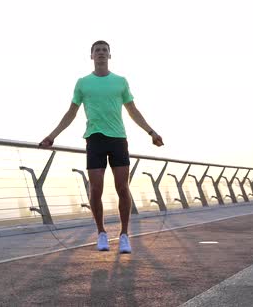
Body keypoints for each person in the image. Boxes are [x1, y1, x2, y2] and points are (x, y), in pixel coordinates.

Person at [39, 40, 164, 254]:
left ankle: (124, 235)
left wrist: (151, 132)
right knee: (95, 189)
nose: (101, 53)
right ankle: (101, 233)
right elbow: (71, 113)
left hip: (118, 139)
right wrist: (52, 136)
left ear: (109, 55)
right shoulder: (83, 83)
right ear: (91, 56)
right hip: (94, 139)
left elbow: (133, 110)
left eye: (104, 50)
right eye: (97, 50)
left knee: (122, 188)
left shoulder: (120, 82)